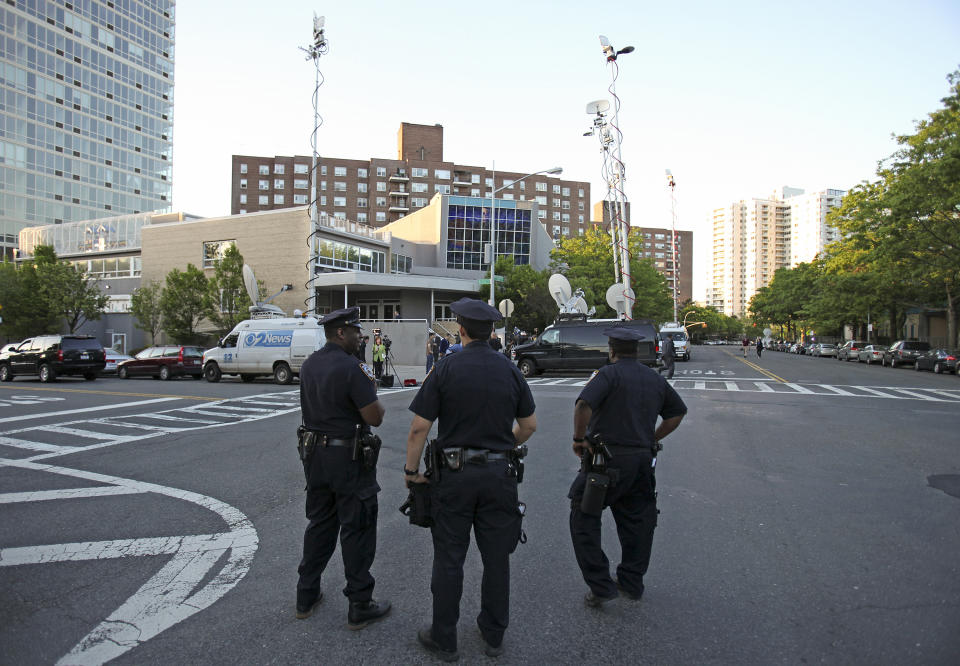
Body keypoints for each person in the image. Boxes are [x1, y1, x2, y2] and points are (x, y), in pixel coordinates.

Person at [404, 297, 537, 661]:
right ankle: (494, 635)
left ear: (460, 329)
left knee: (449, 557)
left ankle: (444, 638)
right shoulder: (509, 369)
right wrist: (498, 448)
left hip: (455, 476)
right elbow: (529, 426)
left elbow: (419, 428)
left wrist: (411, 472)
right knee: (497, 559)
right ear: (491, 331)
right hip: (499, 476)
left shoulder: (446, 367)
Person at [569, 326, 687, 607]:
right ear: (637, 351)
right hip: (641, 463)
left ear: (611, 350)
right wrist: (652, 438)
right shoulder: (653, 378)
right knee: (638, 522)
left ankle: (600, 585)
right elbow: (677, 413)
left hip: (604, 463)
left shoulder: (607, 374)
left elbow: (584, 404)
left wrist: (578, 439)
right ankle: (632, 581)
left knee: (583, 518)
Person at [295, 307, 391, 629]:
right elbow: (374, 417)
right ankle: (360, 603)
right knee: (357, 526)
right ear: (340, 333)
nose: (360, 336)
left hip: (314, 457)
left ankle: (306, 595)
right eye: (355, 331)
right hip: (347, 459)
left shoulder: (309, 365)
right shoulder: (353, 368)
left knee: (320, 523)